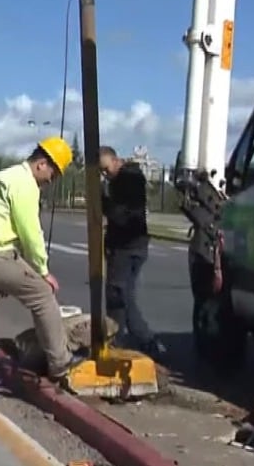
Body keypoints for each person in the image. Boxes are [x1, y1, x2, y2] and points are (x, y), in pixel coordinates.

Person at [0, 137, 82, 411]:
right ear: (41, 163)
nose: (52, 180)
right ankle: (60, 363)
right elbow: (30, 232)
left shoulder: (1, 177)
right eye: (53, 173)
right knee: (44, 295)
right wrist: (42, 270)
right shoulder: (24, 184)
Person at [99, 146, 166, 359]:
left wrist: (103, 201)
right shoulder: (127, 178)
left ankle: (148, 341)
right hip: (129, 246)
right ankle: (115, 341)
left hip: (126, 248)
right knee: (116, 295)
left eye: (106, 169)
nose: (105, 174)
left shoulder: (127, 180)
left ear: (115, 161)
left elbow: (121, 215)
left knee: (121, 296)